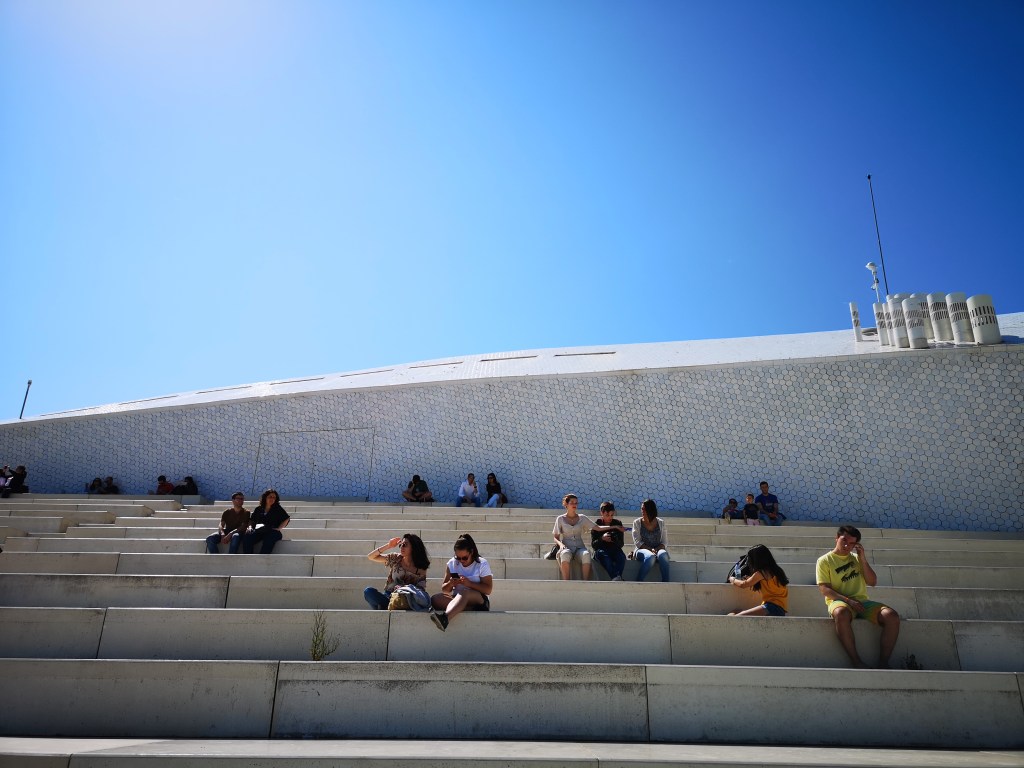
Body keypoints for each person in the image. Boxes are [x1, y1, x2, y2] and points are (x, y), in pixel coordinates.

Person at [816, 525, 901, 668]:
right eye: (844, 540)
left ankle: (883, 662)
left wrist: (862, 559)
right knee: (841, 613)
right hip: (840, 602)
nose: (846, 545)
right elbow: (824, 589)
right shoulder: (824, 560)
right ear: (836, 538)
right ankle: (856, 661)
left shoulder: (857, 559)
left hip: (862, 603)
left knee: (891, 616)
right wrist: (849, 601)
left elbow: (872, 582)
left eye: (851, 543)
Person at [429, 533, 493, 631]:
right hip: (457, 598)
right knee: (435, 599)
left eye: (464, 558)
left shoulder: (482, 563)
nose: (461, 561)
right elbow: (445, 590)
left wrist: (469, 584)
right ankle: (463, 608)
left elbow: (488, 590)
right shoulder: (452, 563)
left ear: (471, 552)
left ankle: (445, 618)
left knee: (465, 592)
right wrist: (451, 583)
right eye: (458, 558)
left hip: (478, 599)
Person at [551, 494, 621, 581]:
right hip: (566, 546)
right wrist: (561, 545)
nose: (574, 505)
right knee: (565, 554)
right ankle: (567, 582)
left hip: (579, 547)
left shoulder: (582, 518)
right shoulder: (560, 519)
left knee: (586, 554)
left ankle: (585, 582)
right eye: (572, 502)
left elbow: (598, 528)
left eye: (576, 503)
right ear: (566, 504)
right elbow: (556, 537)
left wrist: (615, 527)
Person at [364, 533, 430, 609]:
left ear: (414, 547)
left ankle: (386, 607)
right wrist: (388, 546)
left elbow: (420, 589)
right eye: (400, 545)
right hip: (388, 596)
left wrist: (403, 588)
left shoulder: (421, 567)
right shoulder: (396, 558)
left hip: (405, 598)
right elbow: (371, 557)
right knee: (368, 592)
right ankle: (388, 606)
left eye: (404, 545)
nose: (401, 547)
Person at [727, 544, 790, 616]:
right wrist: (750, 579)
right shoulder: (777, 570)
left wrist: (732, 579)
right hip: (778, 609)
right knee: (736, 612)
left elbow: (743, 584)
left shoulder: (762, 573)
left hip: (772, 608)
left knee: (739, 616)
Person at [241, 488, 291, 554]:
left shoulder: (278, 509)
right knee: (247, 537)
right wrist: (249, 527)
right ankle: (249, 557)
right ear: (265, 498)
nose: (272, 499)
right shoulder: (259, 509)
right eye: (270, 497)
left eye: (274, 497)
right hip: (259, 530)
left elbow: (286, 518)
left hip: (272, 531)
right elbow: (252, 520)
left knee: (269, 539)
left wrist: (279, 528)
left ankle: (262, 557)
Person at [632, 498, 670, 582]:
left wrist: (656, 549)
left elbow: (664, 542)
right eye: (641, 509)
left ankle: (666, 582)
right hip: (642, 550)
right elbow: (637, 542)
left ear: (651, 510)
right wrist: (650, 549)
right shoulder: (637, 522)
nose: (642, 511)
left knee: (663, 555)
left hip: (658, 549)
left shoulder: (661, 522)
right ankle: (638, 581)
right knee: (650, 557)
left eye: (644, 509)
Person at [591, 501, 626, 581]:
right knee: (604, 556)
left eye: (612, 515)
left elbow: (621, 544)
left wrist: (615, 540)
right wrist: (602, 538)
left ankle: (616, 578)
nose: (610, 518)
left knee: (621, 557)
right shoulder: (597, 524)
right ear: (601, 513)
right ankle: (616, 577)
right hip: (601, 550)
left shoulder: (617, 523)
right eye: (607, 515)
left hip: (614, 549)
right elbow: (594, 545)